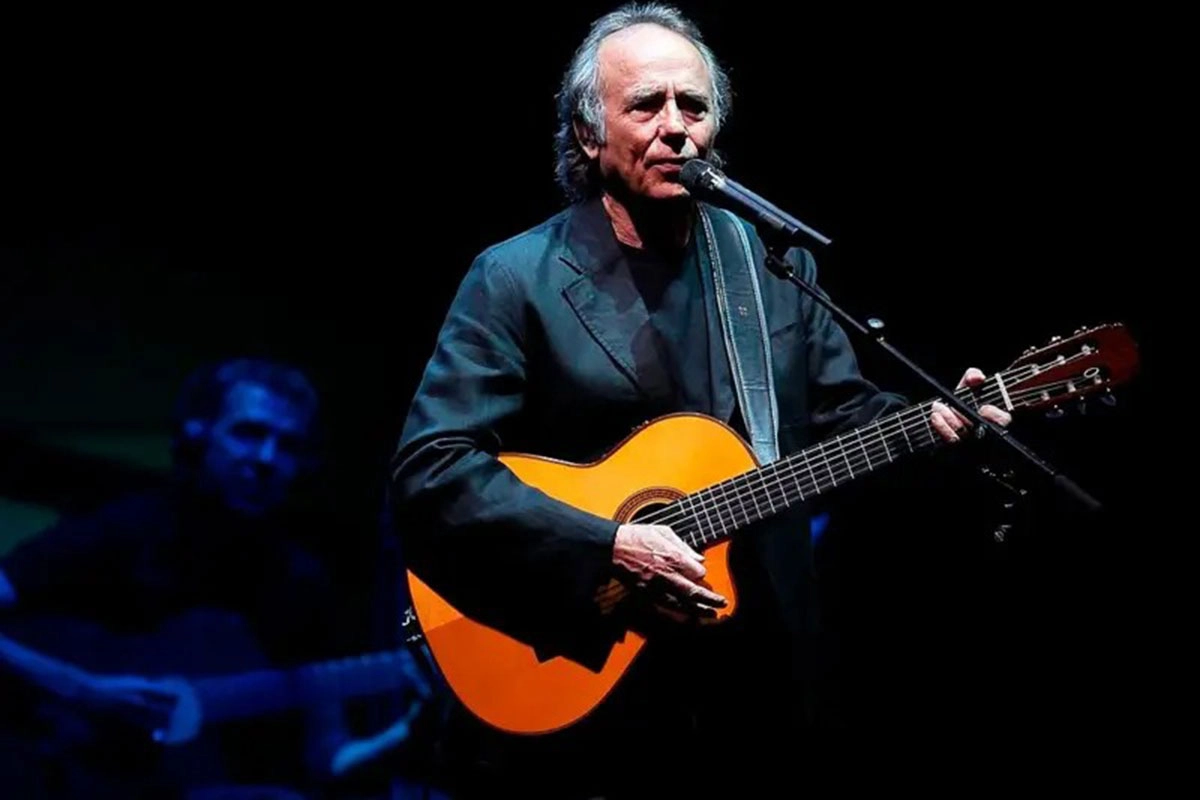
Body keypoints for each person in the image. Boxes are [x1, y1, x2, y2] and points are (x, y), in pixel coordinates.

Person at [388, 3, 1012, 795]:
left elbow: (840, 417)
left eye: (694, 106)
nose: (676, 127)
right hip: (587, 683)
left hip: (756, 683)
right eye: (646, 105)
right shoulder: (516, 279)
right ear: (588, 135)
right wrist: (609, 544)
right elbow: (433, 472)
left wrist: (938, 423)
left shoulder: (768, 268)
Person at [0, 357, 430, 799]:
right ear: (198, 435)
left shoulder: (302, 583)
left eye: (288, 445)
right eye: (249, 433)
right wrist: (81, 689)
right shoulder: (124, 529)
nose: (267, 459)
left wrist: (410, 731)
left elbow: (331, 757)